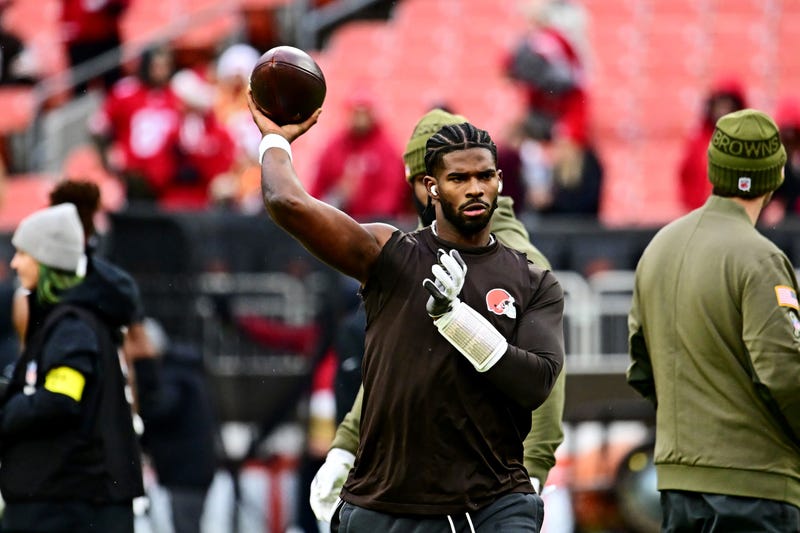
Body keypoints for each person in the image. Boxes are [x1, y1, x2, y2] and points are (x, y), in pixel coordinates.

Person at [248, 95, 565, 531]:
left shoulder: (533, 277)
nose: (474, 187)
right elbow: (287, 202)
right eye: (458, 178)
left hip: (488, 501)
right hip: (386, 500)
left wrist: (457, 320)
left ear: (499, 181)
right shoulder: (392, 254)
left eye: (484, 176)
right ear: (428, 186)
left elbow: (539, 383)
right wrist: (274, 142)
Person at [627, 109, 800, 532]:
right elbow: (783, 371)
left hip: (676, 483)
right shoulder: (760, 258)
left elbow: (640, 367)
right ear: (774, 177)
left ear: (713, 168)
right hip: (755, 485)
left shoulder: (658, 248)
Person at [0, 203, 144, 532]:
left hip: (68, 505)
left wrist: (6, 413)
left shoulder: (72, 326)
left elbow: (59, 399)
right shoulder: (68, 321)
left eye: (23, 253)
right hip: (64, 500)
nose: (14, 263)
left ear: (47, 260)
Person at [133, 317, 219, 533]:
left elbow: (159, 410)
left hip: (186, 473)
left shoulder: (173, 375)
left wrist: (140, 379)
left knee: (185, 526)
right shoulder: (183, 369)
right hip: (190, 469)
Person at [308, 90, 411, 221]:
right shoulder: (334, 147)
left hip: (375, 228)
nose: (360, 118)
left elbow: (391, 194)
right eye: (356, 112)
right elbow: (317, 189)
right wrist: (336, 197)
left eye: (364, 112)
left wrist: (368, 220)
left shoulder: (387, 149)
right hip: (336, 225)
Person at [677, 75, 747, 212]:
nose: (723, 110)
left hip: (736, 215)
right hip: (702, 214)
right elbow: (686, 176)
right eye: (720, 104)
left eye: (728, 105)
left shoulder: (747, 140)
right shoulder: (697, 141)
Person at [59, 0, 130, 95]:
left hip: (106, 37)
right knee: (80, 88)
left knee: (113, 85)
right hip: (80, 41)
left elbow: (123, 5)